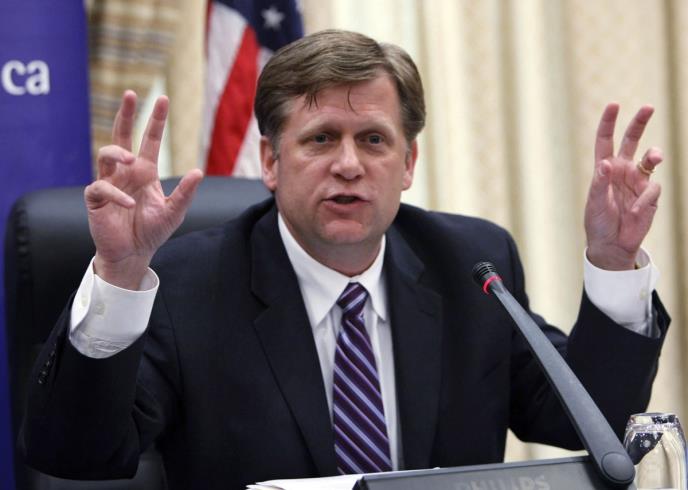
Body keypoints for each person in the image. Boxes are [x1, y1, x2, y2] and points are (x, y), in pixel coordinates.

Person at [21, 29, 668, 489]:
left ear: (409, 163)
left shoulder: (472, 264)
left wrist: (614, 259)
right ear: (270, 160)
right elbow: (75, 453)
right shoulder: (189, 284)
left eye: (374, 140)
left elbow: (593, 423)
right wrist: (121, 275)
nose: (350, 165)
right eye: (322, 138)